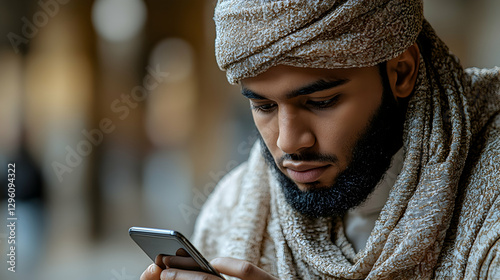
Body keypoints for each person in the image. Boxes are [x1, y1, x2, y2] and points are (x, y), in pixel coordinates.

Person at [141, 0, 500, 279]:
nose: (289, 142)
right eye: (263, 106)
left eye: (320, 102)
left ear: (401, 73)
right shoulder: (234, 208)